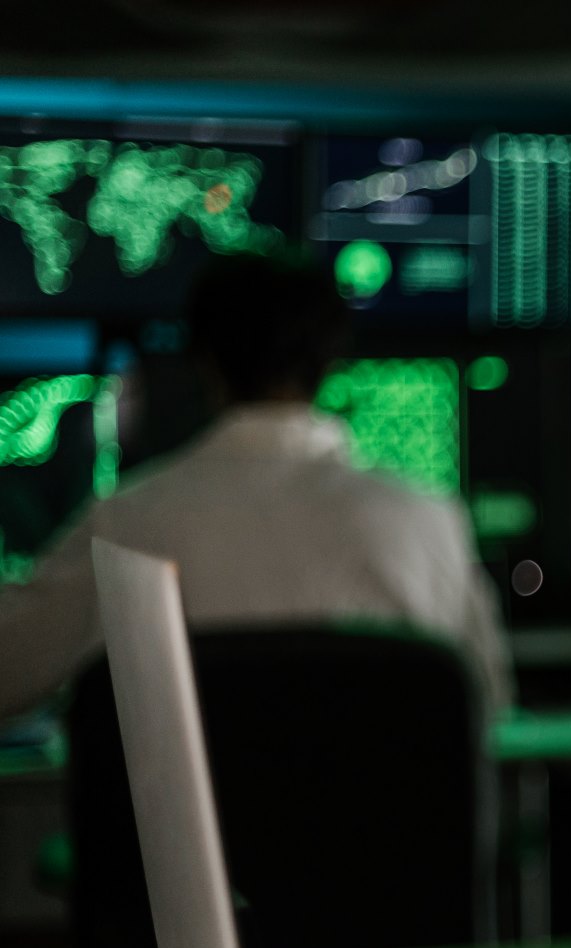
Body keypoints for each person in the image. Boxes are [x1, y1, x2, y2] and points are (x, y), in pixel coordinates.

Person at [0, 253, 512, 718]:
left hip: (189, 825)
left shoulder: (125, 523)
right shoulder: (429, 519)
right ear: (331, 363)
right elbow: (488, 708)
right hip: (384, 823)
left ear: (204, 363)